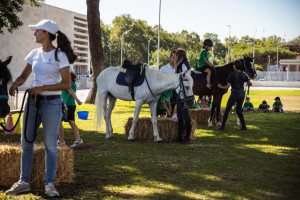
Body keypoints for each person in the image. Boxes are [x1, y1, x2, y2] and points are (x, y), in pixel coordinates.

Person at [7, 19, 77, 197]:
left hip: (52, 103)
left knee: (51, 146)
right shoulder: (34, 53)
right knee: (26, 143)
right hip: (32, 102)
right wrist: (15, 83)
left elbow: (66, 83)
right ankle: (24, 182)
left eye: (37, 31)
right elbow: (24, 76)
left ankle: (49, 184)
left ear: (46, 33)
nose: (34, 33)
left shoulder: (60, 56)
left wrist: (42, 88)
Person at [217, 60, 252, 130]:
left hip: (235, 93)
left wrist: (220, 86)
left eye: (234, 65)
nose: (233, 66)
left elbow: (227, 85)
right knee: (239, 110)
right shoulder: (244, 74)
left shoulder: (232, 74)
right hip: (242, 93)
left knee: (227, 110)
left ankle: (222, 126)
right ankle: (244, 126)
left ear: (235, 66)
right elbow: (250, 83)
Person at [58, 72, 83, 148]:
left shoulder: (66, 82)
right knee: (71, 122)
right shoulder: (73, 83)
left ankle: (61, 141)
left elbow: (70, 91)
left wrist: (77, 100)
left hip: (67, 105)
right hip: (71, 105)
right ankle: (78, 139)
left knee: (59, 122)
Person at [174, 48, 192, 144]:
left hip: (184, 93)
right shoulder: (180, 63)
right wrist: (176, 66)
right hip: (179, 92)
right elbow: (176, 75)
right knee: (180, 116)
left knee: (185, 116)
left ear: (179, 56)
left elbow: (186, 75)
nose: (174, 58)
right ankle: (180, 137)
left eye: (176, 55)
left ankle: (187, 138)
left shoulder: (184, 63)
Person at [160, 50, 177, 115]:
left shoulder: (178, 68)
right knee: (163, 111)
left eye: (176, 58)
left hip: (175, 91)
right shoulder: (164, 68)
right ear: (170, 57)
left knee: (172, 110)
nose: (174, 59)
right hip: (165, 92)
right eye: (173, 57)